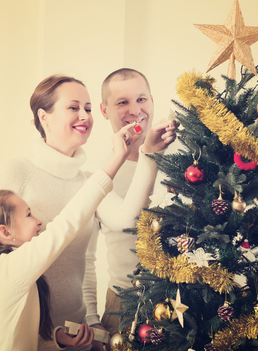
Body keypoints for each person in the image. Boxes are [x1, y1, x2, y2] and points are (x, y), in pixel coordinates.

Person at [0, 75, 178, 350]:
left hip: (70, 331)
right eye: (73, 107)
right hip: (20, 327)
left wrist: (149, 152)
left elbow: (126, 220)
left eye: (89, 108)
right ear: (44, 117)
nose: (84, 115)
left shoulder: (88, 178)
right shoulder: (15, 171)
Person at [0, 121, 140, 350]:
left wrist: (57, 337)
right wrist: (118, 157)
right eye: (29, 215)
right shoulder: (9, 271)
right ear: (5, 231)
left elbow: (22, 335)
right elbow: (67, 223)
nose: (39, 220)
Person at [83, 68, 178, 347]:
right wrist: (91, 316)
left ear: (152, 101)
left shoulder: (183, 162)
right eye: (122, 102)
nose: (135, 110)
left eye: (141, 99)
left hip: (184, 298)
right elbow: (85, 257)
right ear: (104, 110)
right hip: (124, 303)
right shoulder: (98, 174)